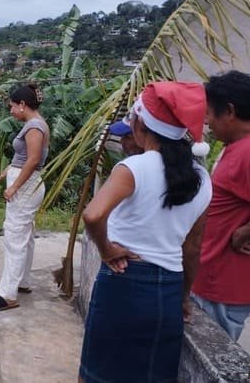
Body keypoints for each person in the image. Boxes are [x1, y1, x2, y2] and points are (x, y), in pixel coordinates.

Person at [78, 81, 213, 383]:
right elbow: (192, 247)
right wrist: (184, 296)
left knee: (97, 375)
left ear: (140, 124)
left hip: (123, 282)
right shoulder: (202, 178)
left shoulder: (133, 168)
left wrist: (106, 249)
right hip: (168, 290)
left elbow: (93, 215)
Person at [191, 70, 250, 341]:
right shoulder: (236, 147)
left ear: (229, 111)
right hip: (212, 280)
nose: (206, 122)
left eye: (209, 113)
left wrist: (245, 232)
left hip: (223, 287)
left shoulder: (247, 152)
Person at [0, 84, 49, 311]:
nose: (11, 111)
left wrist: (14, 186)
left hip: (26, 186)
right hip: (26, 183)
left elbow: (33, 160)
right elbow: (24, 158)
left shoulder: (34, 126)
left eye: (12, 106)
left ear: (22, 104)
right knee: (25, 235)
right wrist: (7, 172)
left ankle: (7, 294)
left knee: (14, 236)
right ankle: (22, 281)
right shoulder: (35, 124)